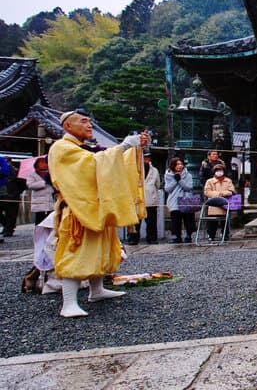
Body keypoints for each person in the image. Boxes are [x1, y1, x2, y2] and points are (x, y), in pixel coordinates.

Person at [49, 109, 149, 318]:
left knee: (99, 250)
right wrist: (123, 146)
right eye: (83, 122)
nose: (88, 125)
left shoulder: (85, 148)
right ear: (68, 126)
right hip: (78, 210)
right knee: (77, 252)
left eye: (89, 122)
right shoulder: (62, 148)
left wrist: (135, 147)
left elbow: (106, 161)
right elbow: (93, 165)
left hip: (94, 207)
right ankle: (68, 303)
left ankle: (97, 290)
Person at [129, 149, 160, 245]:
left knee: (151, 221)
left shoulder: (154, 170)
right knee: (135, 221)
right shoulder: (133, 169)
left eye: (148, 157)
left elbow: (157, 184)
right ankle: (133, 238)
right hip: (137, 199)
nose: (147, 159)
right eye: (145, 157)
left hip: (151, 199)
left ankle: (152, 238)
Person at [164, 157, 195, 243]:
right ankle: (177, 236)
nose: (180, 166)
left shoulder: (188, 175)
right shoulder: (168, 175)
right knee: (176, 219)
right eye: (177, 164)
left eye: (181, 164)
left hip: (185, 199)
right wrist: (175, 180)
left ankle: (189, 235)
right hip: (174, 200)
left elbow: (189, 187)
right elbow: (168, 189)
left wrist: (180, 180)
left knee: (188, 218)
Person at [203, 163, 236, 241]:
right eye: (217, 170)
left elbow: (232, 191)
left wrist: (222, 194)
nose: (219, 172)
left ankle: (225, 234)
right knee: (212, 221)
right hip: (213, 205)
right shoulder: (209, 181)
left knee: (225, 221)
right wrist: (218, 194)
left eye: (221, 170)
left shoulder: (228, 181)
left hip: (225, 204)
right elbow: (207, 192)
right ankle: (211, 235)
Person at [27, 157, 54, 226]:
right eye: (41, 162)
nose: (43, 164)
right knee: (39, 221)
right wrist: (44, 182)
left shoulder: (51, 173)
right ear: (36, 165)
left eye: (45, 162)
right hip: (39, 202)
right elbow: (30, 185)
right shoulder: (32, 175)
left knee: (50, 221)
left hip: (50, 200)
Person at [0, 155, 22, 237]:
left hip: (12, 195)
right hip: (2, 196)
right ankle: (7, 227)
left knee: (11, 214)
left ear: (10, 162)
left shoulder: (15, 171)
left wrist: (16, 193)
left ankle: (8, 230)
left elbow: (21, 183)